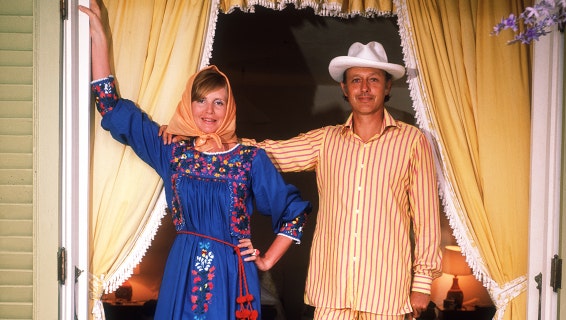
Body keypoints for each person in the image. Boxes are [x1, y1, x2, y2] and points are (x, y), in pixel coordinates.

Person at [163, 40, 442, 319]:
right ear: (344, 88)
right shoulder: (325, 140)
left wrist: (422, 283)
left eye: (373, 80)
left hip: (387, 291)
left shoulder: (413, 142)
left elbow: (426, 218)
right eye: (356, 80)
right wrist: (201, 139)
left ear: (388, 86)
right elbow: (268, 152)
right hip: (331, 290)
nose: (365, 88)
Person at [79, 1, 312, 320]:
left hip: (233, 273)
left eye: (219, 102)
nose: (209, 111)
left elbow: (294, 212)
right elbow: (111, 107)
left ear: (229, 109)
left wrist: (267, 260)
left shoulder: (249, 159)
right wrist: (99, 38)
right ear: (189, 104)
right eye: (201, 100)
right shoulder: (173, 151)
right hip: (184, 267)